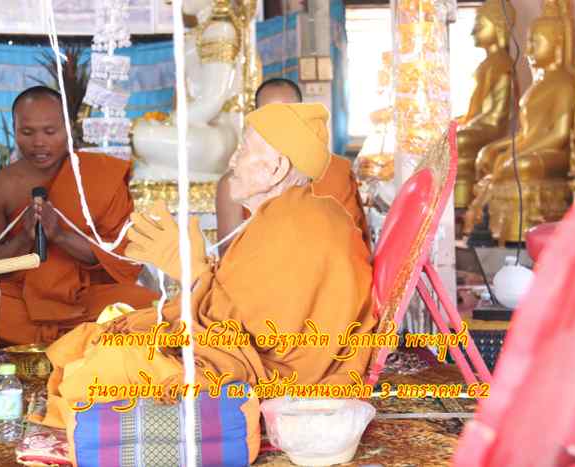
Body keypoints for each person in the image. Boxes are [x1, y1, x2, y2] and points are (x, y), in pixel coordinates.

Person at [38, 103, 377, 456]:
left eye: (242, 149)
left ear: (276, 168)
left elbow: (246, 337)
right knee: (105, 339)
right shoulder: (293, 214)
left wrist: (194, 273)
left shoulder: (292, 224)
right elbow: (245, 307)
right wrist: (197, 275)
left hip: (278, 377)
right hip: (265, 357)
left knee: (103, 365)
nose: (232, 161)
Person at [0, 86, 158, 345]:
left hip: (87, 298)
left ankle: (67, 340)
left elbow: (122, 257)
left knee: (144, 303)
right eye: (27, 132)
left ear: (69, 129)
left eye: (50, 131)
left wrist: (60, 235)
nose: (39, 142)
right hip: (23, 301)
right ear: (14, 129)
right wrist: (24, 238)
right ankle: (82, 341)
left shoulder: (99, 174)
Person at [215, 78, 369, 256]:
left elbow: (353, 245)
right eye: (269, 117)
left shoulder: (335, 171)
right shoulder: (236, 181)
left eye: (288, 116)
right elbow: (229, 255)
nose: (279, 127)